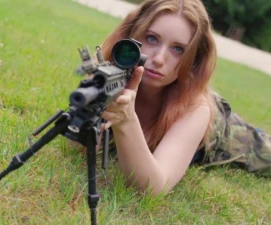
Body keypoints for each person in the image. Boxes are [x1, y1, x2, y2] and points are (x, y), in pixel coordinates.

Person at [77, 0, 271, 196]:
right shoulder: (108, 74)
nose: (159, 59)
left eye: (178, 49)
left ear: (195, 60)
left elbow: (155, 188)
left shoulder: (196, 108)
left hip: (226, 131)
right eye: (152, 38)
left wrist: (126, 121)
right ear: (131, 35)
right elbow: (77, 144)